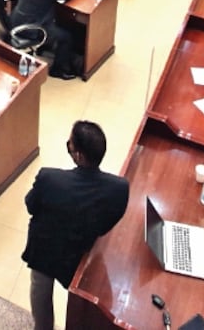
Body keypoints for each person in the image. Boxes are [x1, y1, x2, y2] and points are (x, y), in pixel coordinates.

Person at [22, 120, 129, 330]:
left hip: (44, 251)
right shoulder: (119, 188)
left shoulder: (49, 178)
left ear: (78, 155)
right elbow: (108, 223)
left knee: (40, 294)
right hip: (82, 255)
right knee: (79, 305)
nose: (68, 145)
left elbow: (30, 204)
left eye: (70, 142)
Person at [11, 0, 78, 80]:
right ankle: (57, 70)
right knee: (67, 37)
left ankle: (44, 48)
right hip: (32, 29)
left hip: (15, 20)